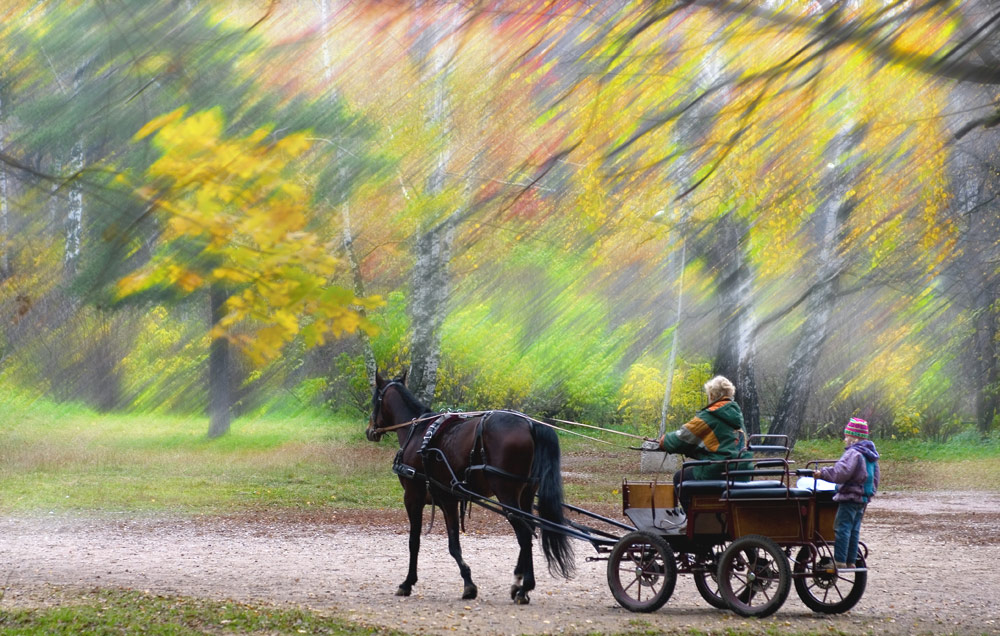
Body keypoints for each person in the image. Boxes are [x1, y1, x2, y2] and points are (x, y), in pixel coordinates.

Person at [658, 375, 753, 511]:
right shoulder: (736, 415)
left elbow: (682, 437)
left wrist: (665, 440)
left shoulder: (710, 415)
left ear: (712, 394)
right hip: (743, 470)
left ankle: (692, 521)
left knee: (680, 477)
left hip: (720, 470)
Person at [813, 417, 880, 569]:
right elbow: (876, 477)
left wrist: (822, 473)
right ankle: (851, 561)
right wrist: (869, 493)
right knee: (854, 529)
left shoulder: (854, 453)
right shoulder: (871, 455)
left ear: (854, 438)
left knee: (842, 527)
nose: (845, 439)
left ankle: (840, 560)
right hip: (862, 499)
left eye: (847, 436)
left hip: (849, 497)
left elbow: (841, 472)